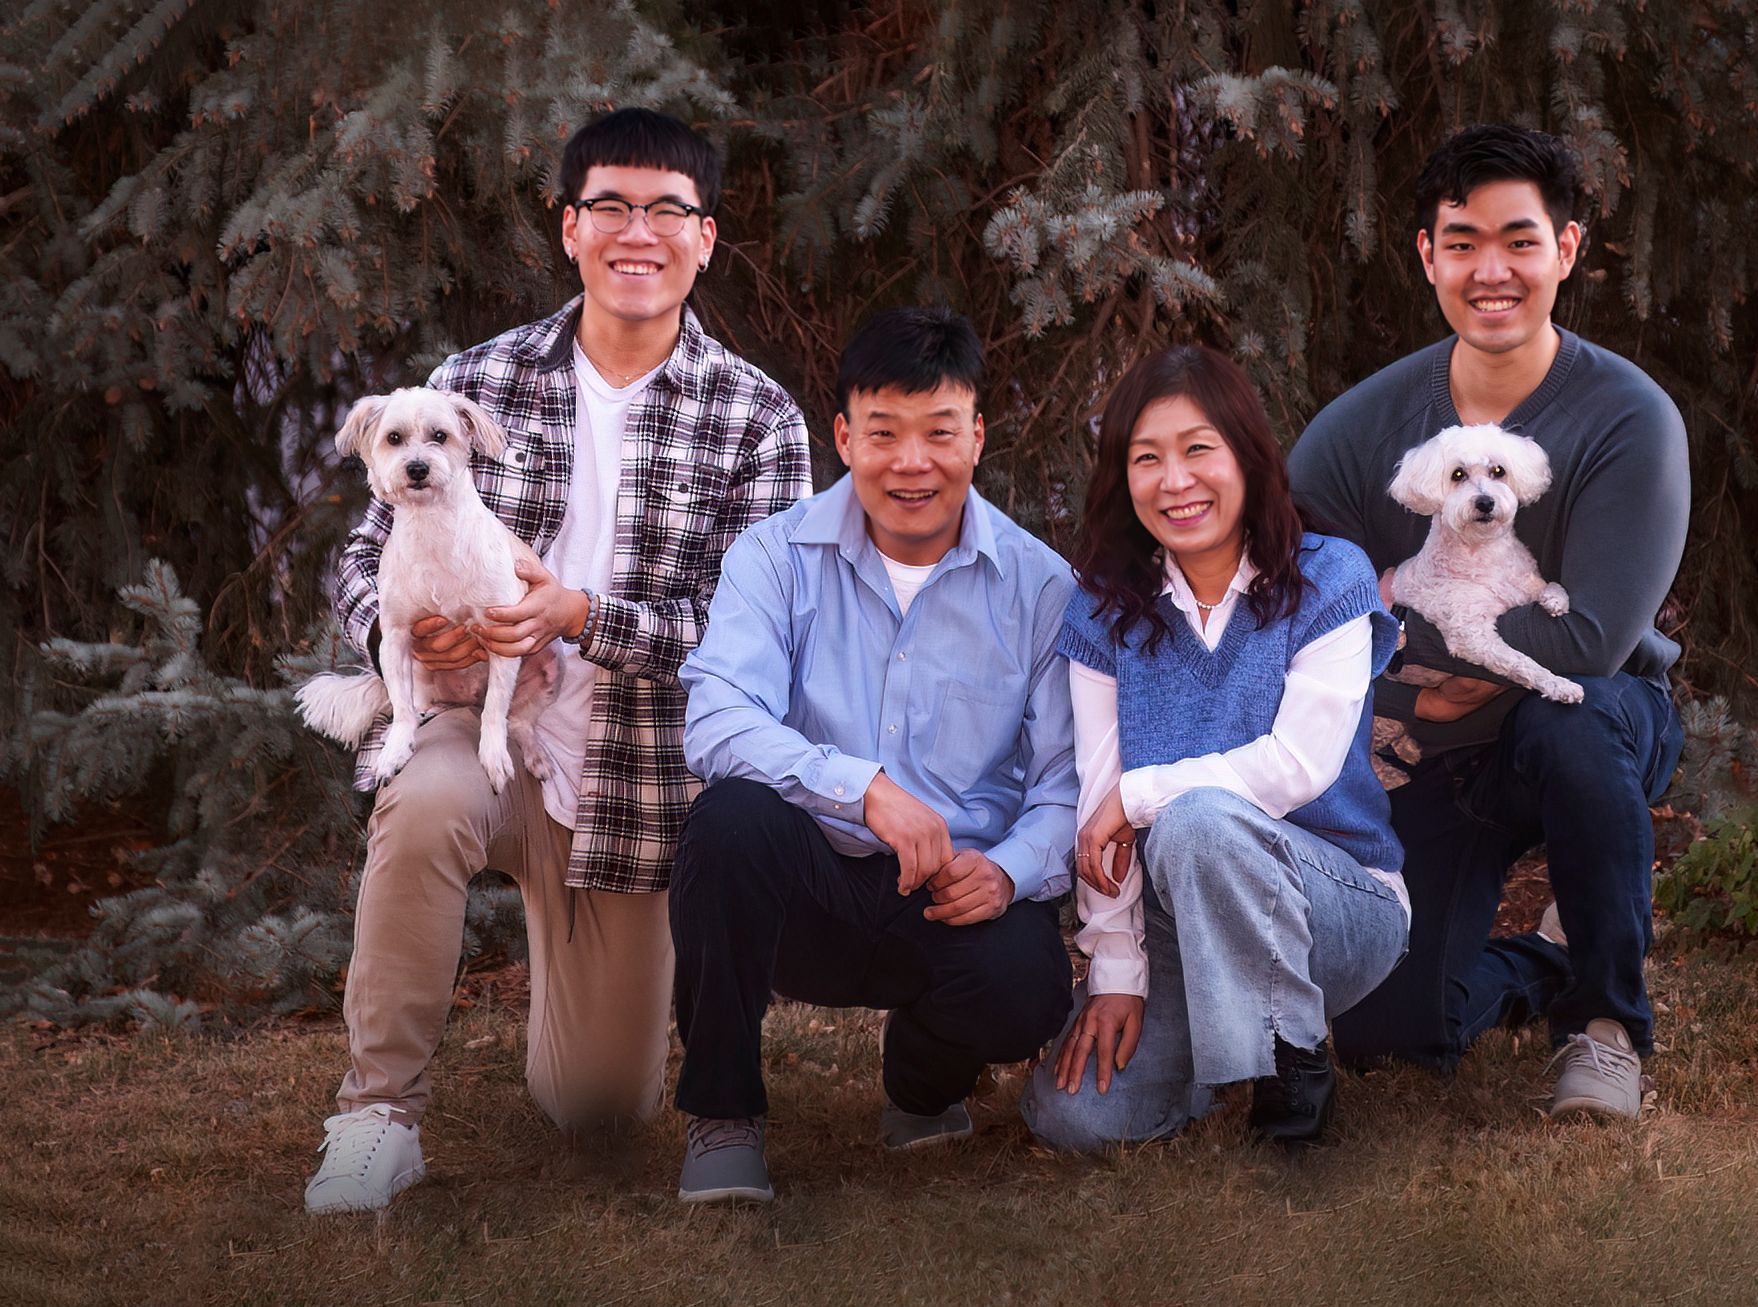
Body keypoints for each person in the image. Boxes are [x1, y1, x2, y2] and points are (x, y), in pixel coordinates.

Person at [304, 108, 812, 1214]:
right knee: (424, 796)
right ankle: (376, 1116)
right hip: (475, 731)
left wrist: (583, 614)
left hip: (632, 785)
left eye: (667, 209)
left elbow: (756, 633)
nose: (640, 231)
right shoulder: (476, 379)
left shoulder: (757, 416)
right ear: (570, 228)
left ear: (707, 236)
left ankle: (567, 1002)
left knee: (594, 1104)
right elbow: (359, 556)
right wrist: (401, 634)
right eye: (612, 207)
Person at [1287, 123, 1689, 1118]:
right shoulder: (1360, 430)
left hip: (1596, 725)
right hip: (1437, 750)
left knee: (1573, 712)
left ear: (1568, 249)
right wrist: (1426, 676)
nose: (1492, 270)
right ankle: (1549, 957)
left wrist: (1412, 645)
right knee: (1390, 1042)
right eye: (1463, 242)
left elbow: (1590, 640)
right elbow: (1291, 600)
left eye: (1520, 238)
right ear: (1428, 255)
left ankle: (1606, 1028)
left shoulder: (1627, 420)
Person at [670, 306, 1077, 1203]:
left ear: (977, 435)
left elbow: (1065, 781)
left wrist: (1008, 871)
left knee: (1029, 982)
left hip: (946, 900)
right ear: (845, 436)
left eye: (939, 432)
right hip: (806, 886)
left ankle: (920, 1087)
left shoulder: (1043, 586)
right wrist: (863, 789)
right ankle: (723, 1115)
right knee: (728, 821)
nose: (911, 462)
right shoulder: (774, 556)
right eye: (884, 432)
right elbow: (718, 718)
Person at [1020, 345, 1410, 1151]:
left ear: (1247, 453)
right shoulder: (1104, 609)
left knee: (1199, 818)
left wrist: (1137, 798)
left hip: (1338, 899)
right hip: (1177, 914)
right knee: (1073, 1118)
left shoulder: (1328, 576)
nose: (1176, 480)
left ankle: (1291, 1080)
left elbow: (1298, 767)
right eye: (1147, 458)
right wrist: (1119, 971)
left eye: (1199, 449)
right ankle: (1219, 1048)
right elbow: (1099, 804)